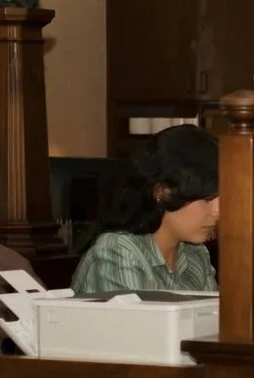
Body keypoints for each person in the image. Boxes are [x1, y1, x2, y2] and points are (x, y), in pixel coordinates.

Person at [71, 125, 220, 297]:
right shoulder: (117, 253)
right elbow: (140, 324)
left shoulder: (196, 253)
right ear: (162, 192)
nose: (217, 211)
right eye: (207, 199)